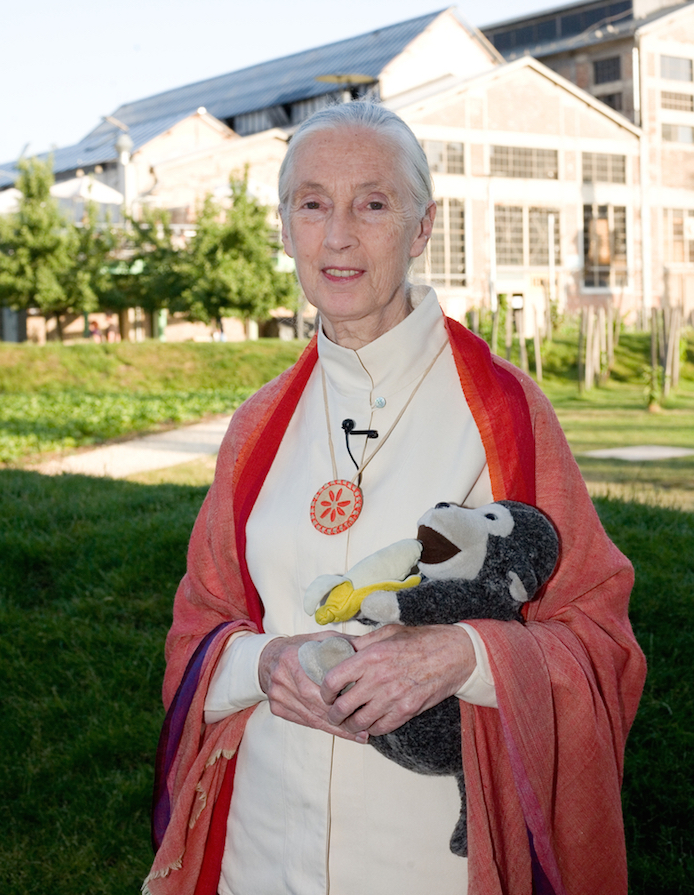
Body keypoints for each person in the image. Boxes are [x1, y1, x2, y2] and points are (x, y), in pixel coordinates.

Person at [145, 102, 646, 895]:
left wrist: (466, 656)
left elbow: (599, 640)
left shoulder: (507, 415)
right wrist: (262, 663)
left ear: (422, 228)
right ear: (286, 228)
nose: (338, 236)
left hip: (432, 865)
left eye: (373, 203)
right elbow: (198, 627)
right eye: (313, 204)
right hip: (257, 854)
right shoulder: (257, 425)